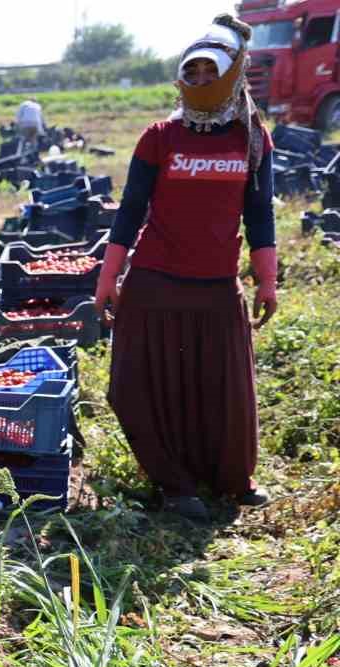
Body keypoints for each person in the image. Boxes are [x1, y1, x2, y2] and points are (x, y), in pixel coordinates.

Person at [94, 14, 275, 521]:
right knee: (134, 385)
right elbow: (130, 212)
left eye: (208, 72)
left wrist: (266, 280)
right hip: (155, 283)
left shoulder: (250, 139)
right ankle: (174, 484)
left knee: (223, 392)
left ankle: (230, 481)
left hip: (217, 287)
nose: (198, 82)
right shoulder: (159, 137)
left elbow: (260, 214)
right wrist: (108, 279)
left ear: (231, 76)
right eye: (190, 73)